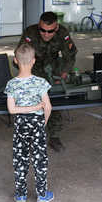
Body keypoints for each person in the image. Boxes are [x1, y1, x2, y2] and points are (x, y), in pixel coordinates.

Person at [17, 11, 77, 152]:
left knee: (54, 102)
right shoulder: (30, 33)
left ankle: (54, 136)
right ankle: (30, 136)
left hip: (54, 69)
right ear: (39, 25)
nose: (46, 34)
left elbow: (70, 55)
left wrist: (63, 73)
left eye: (50, 31)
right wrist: (25, 74)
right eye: (42, 30)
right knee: (32, 104)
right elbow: (19, 54)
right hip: (34, 68)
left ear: (56, 28)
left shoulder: (62, 33)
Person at [5, 43, 54, 202]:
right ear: (33, 61)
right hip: (37, 122)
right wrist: (42, 121)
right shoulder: (41, 82)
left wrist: (25, 111)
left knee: (20, 158)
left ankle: (20, 197)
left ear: (15, 61)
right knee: (40, 158)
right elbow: (48, 106)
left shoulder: (11, 84)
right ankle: (42, 196)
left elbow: (11, 110)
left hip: (20, 124)